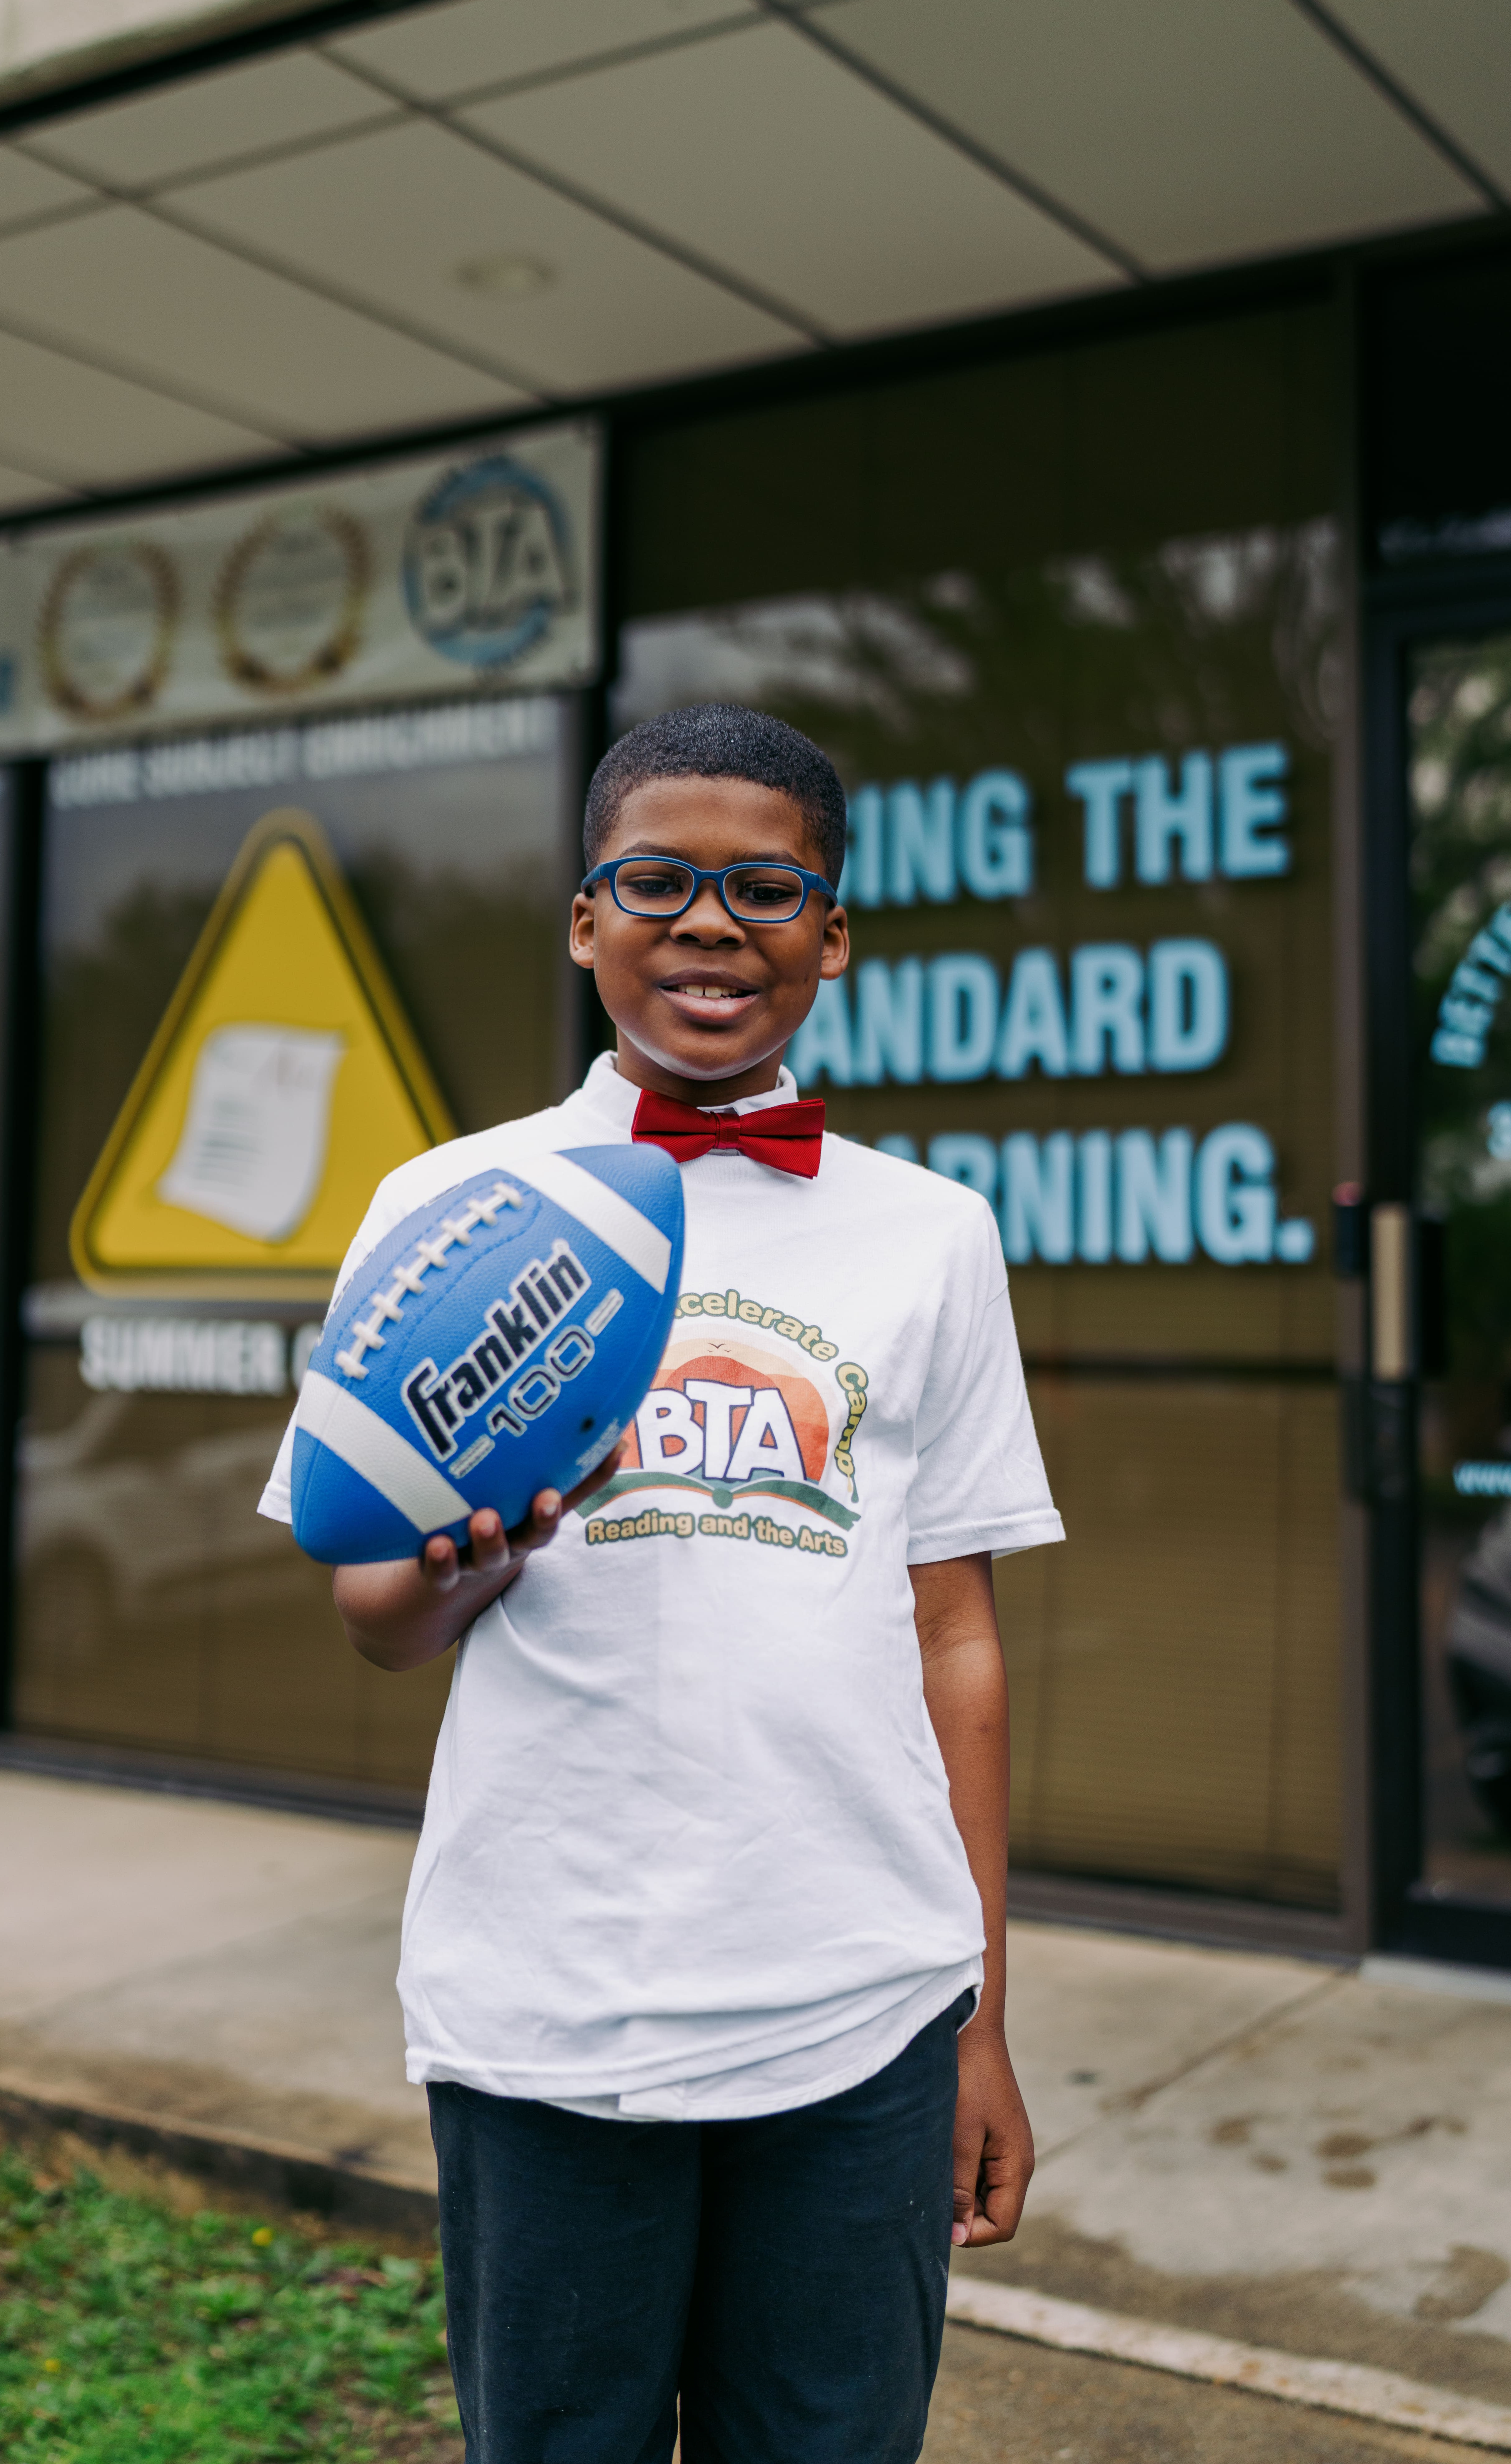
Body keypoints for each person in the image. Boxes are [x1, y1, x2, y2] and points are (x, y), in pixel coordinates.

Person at [258, 702, 1063, 2463]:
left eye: (768, 887)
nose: (712, 924)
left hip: (864, 1999)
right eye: (659, 880)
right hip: (552, 1995)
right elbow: (374, 1614)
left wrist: (983, 2015)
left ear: (833, 933)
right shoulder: (452, 1207)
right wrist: (474, 1561)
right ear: (584, 919)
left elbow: (959, 1637)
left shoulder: (929, 1230)